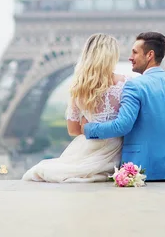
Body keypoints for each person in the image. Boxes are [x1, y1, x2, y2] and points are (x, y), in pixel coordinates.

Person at [83, 31, 165, 181]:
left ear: (149, 55)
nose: (130, 57)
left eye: (134, 52)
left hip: (145, 167)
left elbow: (122, 126)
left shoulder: (134, 86)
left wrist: (88, 128)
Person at [22, 33, 127, 183]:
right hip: (116, 149)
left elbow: (73, 130)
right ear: (112, 55)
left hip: (89, 148)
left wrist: (87, 121)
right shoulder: (125, 83)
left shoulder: (80, 87)